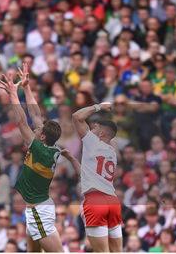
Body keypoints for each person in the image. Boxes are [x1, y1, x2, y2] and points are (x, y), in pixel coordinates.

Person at [0, 63, 78, 252]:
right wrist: (26, 87)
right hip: (38, 207)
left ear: (42, 137)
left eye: (39, 129)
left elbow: (21, 121)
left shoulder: (39, 150)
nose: (37, 127)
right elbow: (35, 113)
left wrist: (13, 94)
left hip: (38, 210)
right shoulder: (49, 146)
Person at [72, 102, 123, 252]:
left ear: (101, 134)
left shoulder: (92, 142)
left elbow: (76, 117)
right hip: (113, 201)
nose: (91, 129)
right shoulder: (113, 151)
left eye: (95, 128)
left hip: (95, 200)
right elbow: (111, 133)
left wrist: (99, 106)